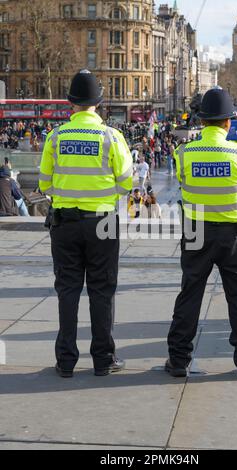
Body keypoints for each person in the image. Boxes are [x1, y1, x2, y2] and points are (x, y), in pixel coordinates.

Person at [39, 70, 133, 378]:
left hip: (64, 223)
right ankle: (103, 359)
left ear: (71, 103)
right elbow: (125, 183)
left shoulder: (56, 136)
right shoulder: (111, 137)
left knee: (67, 289)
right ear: (99, 102)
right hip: (102, 222)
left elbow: (45, 185)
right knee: (101, 290)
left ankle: (66, 360)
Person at [165, 88, 237, 380]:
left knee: (190, 294)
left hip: (196, 232)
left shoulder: (183, 153)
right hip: (234, 234)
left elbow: (182, 181)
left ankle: (179, 359)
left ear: (203, 121)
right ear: (228, 123)